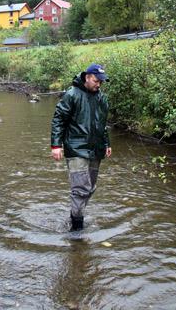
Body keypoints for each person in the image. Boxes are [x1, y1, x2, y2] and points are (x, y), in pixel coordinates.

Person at [51, 63, 112, 231]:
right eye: (96, 80)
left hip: (96, 149)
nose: (98, 84)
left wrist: (107, 143)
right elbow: (58, 120)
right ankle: (77, 230)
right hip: (76, 148)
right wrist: (56, 145)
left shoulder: (102, 99)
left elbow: (102, 124)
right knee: (80, 189)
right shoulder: (72, 95)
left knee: (90, 188)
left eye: (101, 81)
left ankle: (74, 216)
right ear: (87, 77)